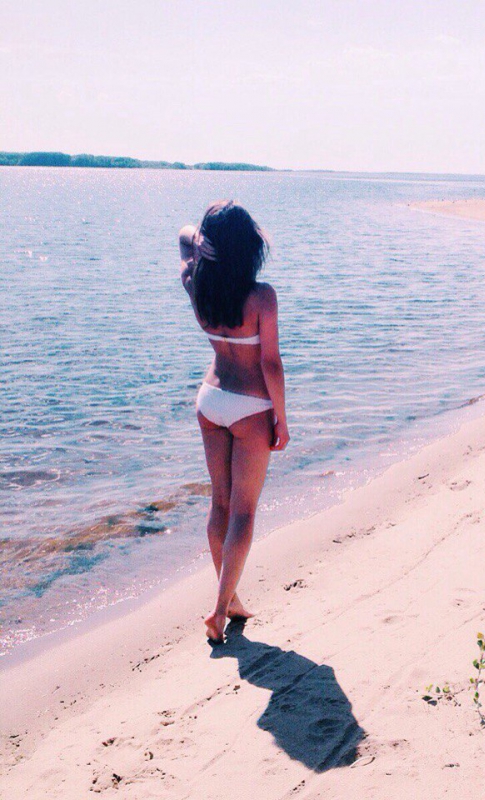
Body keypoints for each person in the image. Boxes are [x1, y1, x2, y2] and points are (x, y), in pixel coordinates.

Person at [179, 200, 289, 643]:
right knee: (243, 512)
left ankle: (231, 600)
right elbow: (271, 364)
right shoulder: (261, 297)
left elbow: (183, 236)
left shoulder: (194, 283)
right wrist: (282, 419)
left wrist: (198, 241)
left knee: (220, 505)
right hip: (250, 406)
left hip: (210, 399)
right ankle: (220, 611)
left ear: (208, 247)